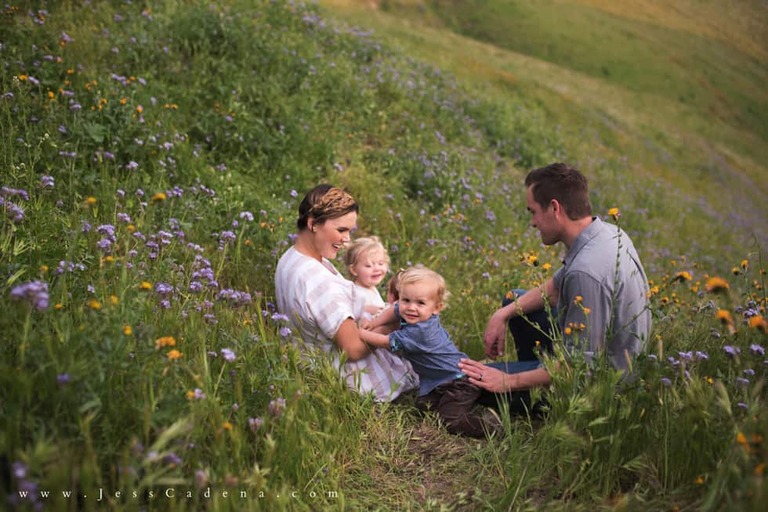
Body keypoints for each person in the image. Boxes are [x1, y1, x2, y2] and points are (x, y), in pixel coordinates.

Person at [459, 162, 652, 400]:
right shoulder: (609, 233)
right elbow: (555, 288)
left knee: (466, 383)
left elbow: (579, 367)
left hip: (598, 387)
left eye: (533, 212)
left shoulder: (586, 272)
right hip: (601, 357)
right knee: (515, 301)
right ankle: (536, 370)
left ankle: (538, 389)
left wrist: (507, 381)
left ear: (554, 208)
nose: (532, 223)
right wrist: (501, 315)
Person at [275, 184, 418, 402]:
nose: (347, 240)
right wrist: (393, 323)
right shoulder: (319, 281)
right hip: (341, 374)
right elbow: (353, 350)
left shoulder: (292, 257)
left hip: (303, 356)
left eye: (349, 231)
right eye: (341, 230)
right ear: (313, 223)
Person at [360, 266, 502, 437]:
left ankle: (490, 426)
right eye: (406, 300)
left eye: (420, 303)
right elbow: (395, 309)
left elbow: (386, 342)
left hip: (458, 381)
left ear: (436, 307)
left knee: (448, 420)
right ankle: (475, 400)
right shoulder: (412, 312)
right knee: (423, 407)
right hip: (438, 382)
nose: (411, 307)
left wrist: (359, 333)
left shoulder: (421, 332)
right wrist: (374, 324)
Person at [343, 236, 390, 320]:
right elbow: (358, 315)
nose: (377, 269)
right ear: (354, 270)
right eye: (368, 266)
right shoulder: (357, 294)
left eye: (381, 263)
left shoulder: (370, 288)